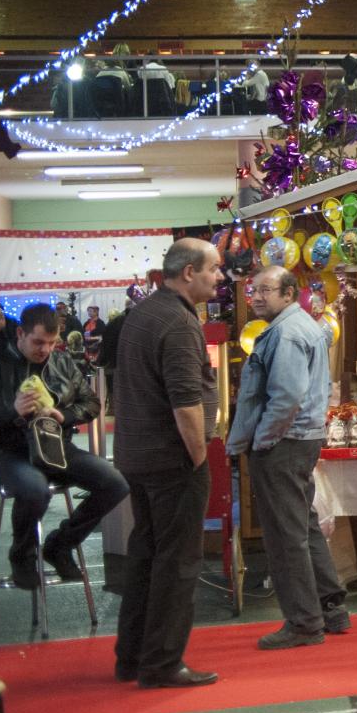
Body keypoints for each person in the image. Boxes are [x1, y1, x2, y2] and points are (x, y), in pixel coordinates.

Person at [113, 238, 223, 689]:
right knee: (177, 563)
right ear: (188, 273)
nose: (220, 277)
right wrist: (198, 457)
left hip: (138, 456)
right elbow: (185, 402)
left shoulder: (142, 313)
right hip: (171, 460)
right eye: (214, 269)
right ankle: (160, 663)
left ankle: (132, 656)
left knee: (146, 555)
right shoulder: (179, 323)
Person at [0, 303, 129, 590]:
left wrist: (63, 415)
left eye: (52, 343)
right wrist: (11, 411)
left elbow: (91, 403)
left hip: (58, 447)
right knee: (35, 489)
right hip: (10, 453)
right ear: (20, 333)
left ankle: (59, 545)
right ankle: (22, 556)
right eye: (38, 342)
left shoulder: (63, 363)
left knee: (116, 483)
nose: (45, 349)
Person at [230, 267, 349, 649]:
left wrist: (263, 441)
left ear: (288, 294)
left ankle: (303, 624)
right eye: (253, 290)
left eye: (265, 290)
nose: (257, 297)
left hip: (284, 443)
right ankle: (331, 610)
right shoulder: (301, 326)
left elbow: (286, 398)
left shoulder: (284, 333)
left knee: (286, 536)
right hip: (300, 440)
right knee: (304, 525)